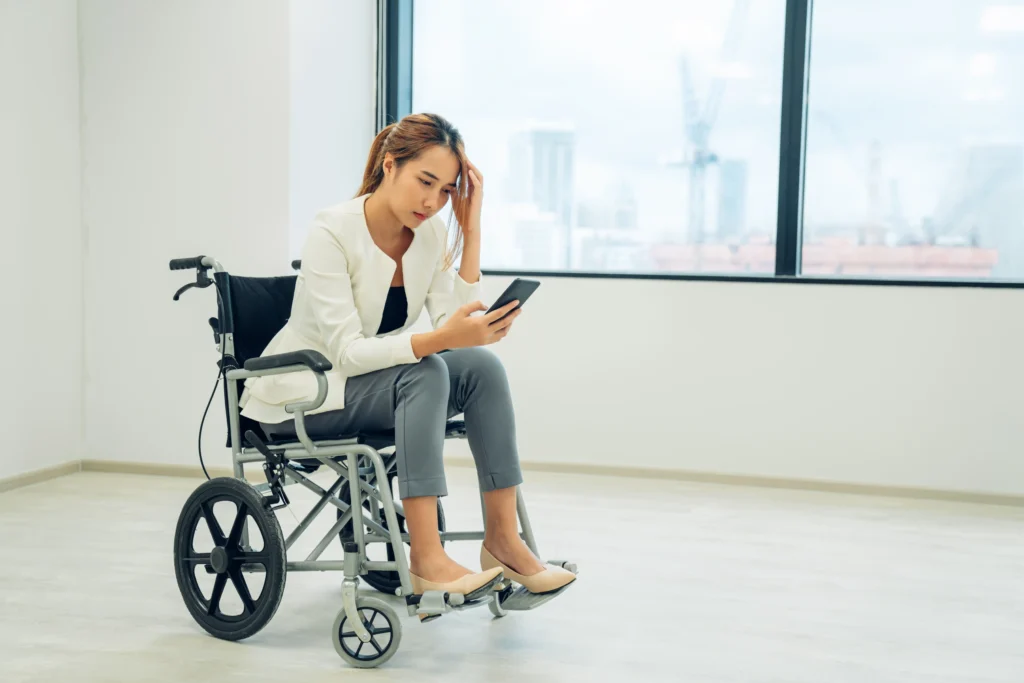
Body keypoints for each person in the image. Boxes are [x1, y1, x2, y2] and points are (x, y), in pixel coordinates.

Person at [239, 112, 576, 603]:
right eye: (425, 182)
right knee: (425, 370)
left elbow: (454, 325)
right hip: (309, 390)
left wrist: (470, 229)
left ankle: (503, 540)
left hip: (373, 384)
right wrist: (439, 341)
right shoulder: (331, 231)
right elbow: (349, 354)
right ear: (390, 165)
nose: (433, 201)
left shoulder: (431, 234)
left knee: (482, 369)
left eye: (445, 190)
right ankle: (426, 557)